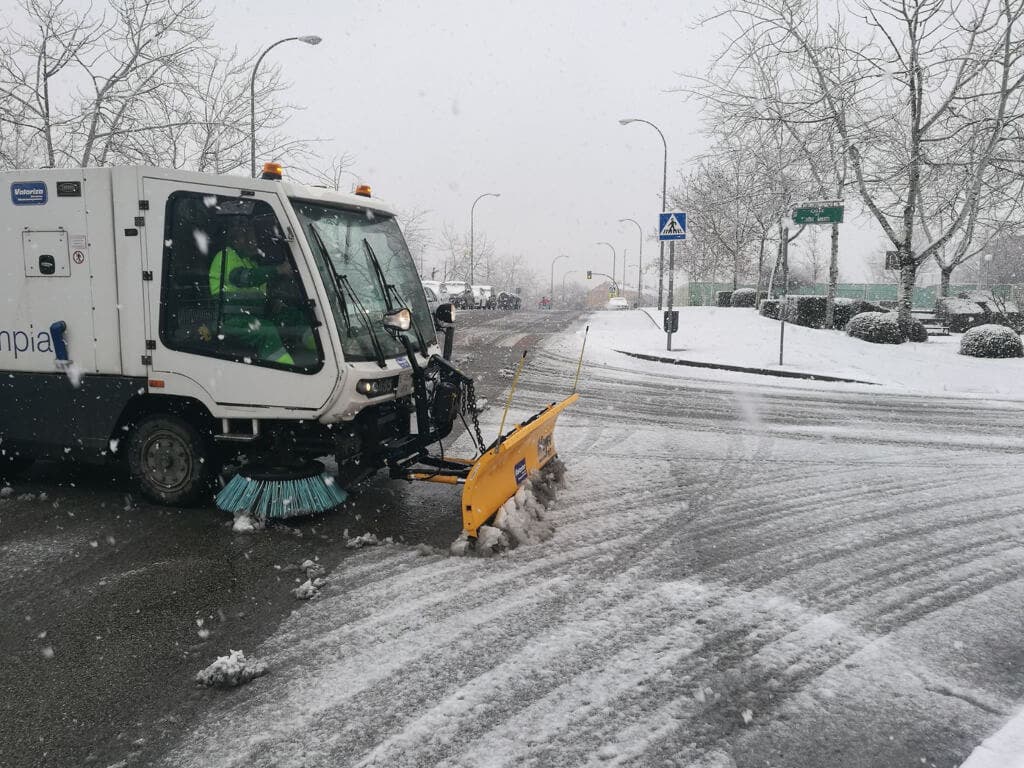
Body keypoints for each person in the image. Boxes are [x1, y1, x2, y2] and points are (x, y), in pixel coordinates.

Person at [208, 217, 298, 366]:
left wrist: (273, 303)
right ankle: (289, 372)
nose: (254, 242)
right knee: (266, 331)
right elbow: (244, 278)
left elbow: (257, 294)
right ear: (236, 240)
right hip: (230, 320)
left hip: (251, 317)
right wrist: (279, 270)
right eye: (249, 237)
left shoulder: (251, 262)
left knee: (294, 317)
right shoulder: (226, 257)